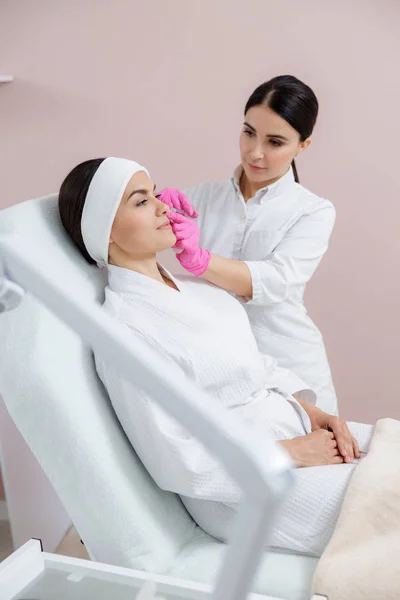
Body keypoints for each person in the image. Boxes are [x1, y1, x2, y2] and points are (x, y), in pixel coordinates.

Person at [58, 157, 374, 556]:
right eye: (141, 202)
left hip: (294, 429)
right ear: (104, 231)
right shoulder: (123, 330)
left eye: (156, 194)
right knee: (383, 504)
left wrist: (318, 416)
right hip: (240, 485)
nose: (163, 208)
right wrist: (290, 453)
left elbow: (258, 366)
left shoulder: (199, 291)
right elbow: (175, 459)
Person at [159, 75, 338, 415]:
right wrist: (152, 206)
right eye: (248, 133)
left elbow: (276, 281)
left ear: (303, 146)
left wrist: (201, 260)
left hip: (289, 361)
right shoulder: (202, 198)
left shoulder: (313, 211)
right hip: (220, 364)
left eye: (275, 142)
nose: (255, 153)